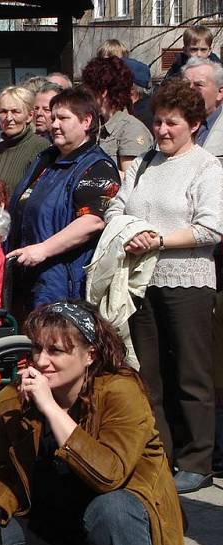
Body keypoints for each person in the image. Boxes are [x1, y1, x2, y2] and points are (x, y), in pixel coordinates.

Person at [0, 301, 185, 545]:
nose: (41, 361)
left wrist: (50, 408)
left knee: (113, 509)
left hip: (115, 527)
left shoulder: (121, 392)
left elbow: (109, 475)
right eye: (36, 349)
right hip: (51, 527)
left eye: (56, 351)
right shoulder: (12, 399)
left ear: (90, 355)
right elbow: (6, 471)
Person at [105, 77, 223, 494]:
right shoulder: (142, 164)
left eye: (172, 123)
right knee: (147, 374)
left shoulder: (207, 168)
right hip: (141, 282)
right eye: (157, 122)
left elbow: (211, 228)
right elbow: (116, 208)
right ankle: (161, 454)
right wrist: (132, 231)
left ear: (193, 124)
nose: (162, 131)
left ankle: (198, 459)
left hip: (187, 281)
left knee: (191, 374)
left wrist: (157, 238)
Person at [6, 87, 119, 311]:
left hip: (63, 281)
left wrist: (43, 249)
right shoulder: (45, 160)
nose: (55, 124)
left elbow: (93, 221)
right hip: (27, 276)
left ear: (86, 122)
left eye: (64, 118)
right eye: (53, 117)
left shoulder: (97, 167)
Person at [81, 56, 153, 177]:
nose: (85, 97)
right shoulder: (96, 126)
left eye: (88, 91)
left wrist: (89, 172)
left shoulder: (131, 130)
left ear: (102, 92)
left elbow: (131, 179)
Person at [0, 85, 50, 193]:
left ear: (29, 116)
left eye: (15, 112)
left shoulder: (41, 147)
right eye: (3, 111)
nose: (8, 118)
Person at [182, 57, 223, 162]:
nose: (190, 90)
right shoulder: (166, 125)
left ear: (220, 93)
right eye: (185, 85)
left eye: (198, 85)